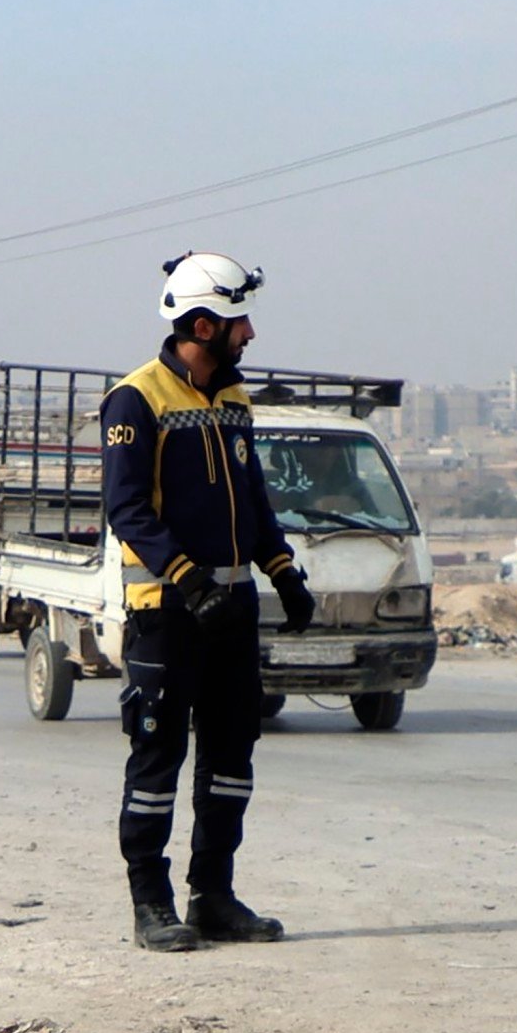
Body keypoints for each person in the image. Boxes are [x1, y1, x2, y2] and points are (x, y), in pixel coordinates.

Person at [102, 251, 310, 953]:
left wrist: (282, 571)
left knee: (231, 756)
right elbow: (127, 512)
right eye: (237, 320)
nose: (249, 333)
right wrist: (189, 582)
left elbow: (251, 498)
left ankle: (212, 895)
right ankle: (151, 903)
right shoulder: (136, 400)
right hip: (167, 614)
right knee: (158, 757)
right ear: (201, 324)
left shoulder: (233, 400)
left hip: (234, 609)